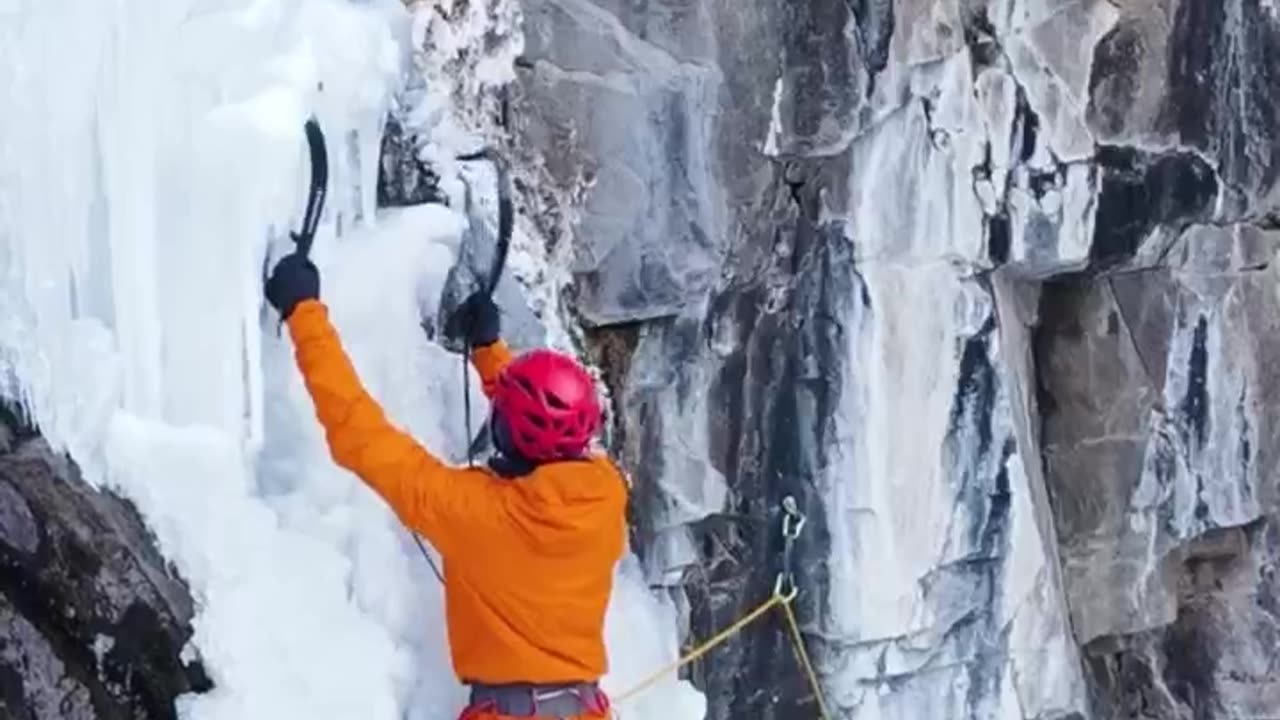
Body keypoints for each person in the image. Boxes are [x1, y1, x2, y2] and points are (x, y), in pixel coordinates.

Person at [264, 251, 626, 720]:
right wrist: (489, 352)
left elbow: (359, 434)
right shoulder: (604, 494)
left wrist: (304, 313)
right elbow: (540, 436)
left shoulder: (475, 512)